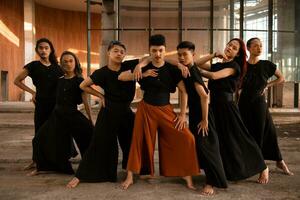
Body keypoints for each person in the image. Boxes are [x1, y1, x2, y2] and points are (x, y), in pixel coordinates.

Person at [121, 34, 199, 190]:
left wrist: (183, 115)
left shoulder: (172, 69)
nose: (157, 54)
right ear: (149, 51)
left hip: (166, 110)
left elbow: (184, 92)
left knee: (187, 137)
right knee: (137, 141)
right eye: (154, 50)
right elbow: (121, 77)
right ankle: (130, 176)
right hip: (146, 109)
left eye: (160, 50)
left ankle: (186, 174)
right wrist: (140, 71)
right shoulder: (143, 65)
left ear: (165, 50)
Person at [67, 40, 147, 188]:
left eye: (122, 52)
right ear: (108, 53)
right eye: (116, 51)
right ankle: (82, 175)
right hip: (108, 111)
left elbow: (148, 58)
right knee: (98, 143)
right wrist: (100, 96)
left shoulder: (129, 66)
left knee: (131, 142)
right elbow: (83, 85)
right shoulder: (102, 72)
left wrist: (140, 66)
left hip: (125, 111)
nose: (119, 54)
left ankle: (131, 173)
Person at [196, 38, 269, 184]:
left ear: (237, 54)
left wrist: (192, 68)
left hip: (228, 107)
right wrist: (214, 54)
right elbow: (198, 63)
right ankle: (226, 170)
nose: (230, 48)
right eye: (229, 45)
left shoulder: (234, 66)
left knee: (241, 138)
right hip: (214, 106)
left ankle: (263, 166)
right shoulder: (218, 64)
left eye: (234, 48)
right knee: (222, 140)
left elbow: (213, 76)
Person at [28, 51, 93, 176]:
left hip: (72, 114)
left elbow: (86, 103)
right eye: (65, 62)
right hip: (57, 116)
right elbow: (50, 96)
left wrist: (90, 120)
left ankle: (89, 166)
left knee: (90, 135)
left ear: (75, 63)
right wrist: (35, 97)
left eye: (71, 61)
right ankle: (45, 167)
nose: (68, 64)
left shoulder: (80, 80)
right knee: (39, 139)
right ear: (61, 64)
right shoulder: (59, 80)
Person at [175, 41, 227, 195]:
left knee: (207, 147)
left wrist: (204, 120)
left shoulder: (193, 72)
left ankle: (211, 182)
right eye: (179, 54)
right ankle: (200, 174)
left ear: (193, 54)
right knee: (199, 145)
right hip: (197, 113)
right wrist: (212, 55)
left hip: (203, 115)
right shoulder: (190, 67)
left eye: (185, 54)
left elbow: (205, 97)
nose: (182, 57)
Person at [238, 37, 293, 176]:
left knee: (262, 132)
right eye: (256, 46)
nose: (259, 48)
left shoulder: (267, 65)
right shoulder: (242, 65)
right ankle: (276, 161)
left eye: (261, 45)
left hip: (259, 102)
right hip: (244, 103)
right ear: (249, 48)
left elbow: (281, 78)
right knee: (250, 132)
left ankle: (264, 165)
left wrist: (267, 86)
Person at [14, 38, 63, 170]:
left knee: (54, 133)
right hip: (41, 104)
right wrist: (32, 92)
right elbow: (17, 81)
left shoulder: (58, 68)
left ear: (51, 50)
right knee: (39, 133)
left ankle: (54, 161)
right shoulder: (33, 66)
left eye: (46, 48)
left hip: (56, 105)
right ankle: (36, 161)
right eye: (40, 48)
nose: (43, 50)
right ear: (37, 50)